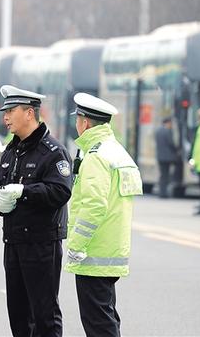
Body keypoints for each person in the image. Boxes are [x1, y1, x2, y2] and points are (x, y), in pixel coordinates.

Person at [0, 85, 72, 337]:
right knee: (19, 315)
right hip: (13, 242)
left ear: (29, 113)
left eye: (10, 111)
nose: (5, 117)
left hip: (41, 244)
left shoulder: (53, 152)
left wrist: (24, 192)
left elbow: (60, 191)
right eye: (5, 112)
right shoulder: (11, 151)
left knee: (44, 315)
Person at [64, 93, 142, 337]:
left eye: (77, 119)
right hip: (112, 249)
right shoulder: (116, 151)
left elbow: (94, 205)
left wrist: (77, 245)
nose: (76, 124)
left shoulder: (96, 156)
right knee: (106, 316)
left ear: (85, 122)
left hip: (94, 252)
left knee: (97, 323)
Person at [154, 117, 178, 198]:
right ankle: (163, 193)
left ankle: (162, 192)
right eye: (170, 124)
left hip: (160, 156)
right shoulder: (167, 131)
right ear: (167, 123)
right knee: (166, 175)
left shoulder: (158, 131)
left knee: (162, 175)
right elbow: (171, 143)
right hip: (167, 157)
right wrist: (176, 150)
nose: (171, 126)